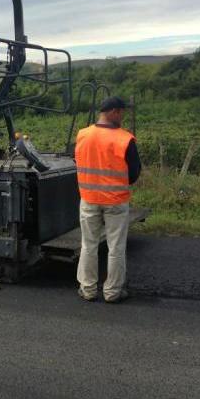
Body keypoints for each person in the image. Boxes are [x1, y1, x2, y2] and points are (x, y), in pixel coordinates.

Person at [74, 96, 141, 304]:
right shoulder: (125, 139)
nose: (122, 117)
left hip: (89, 199)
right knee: (116, 247)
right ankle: (112, 292)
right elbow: (134, 174)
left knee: (88, 245)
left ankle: (88, 289)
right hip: (115, 201)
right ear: (113, 112)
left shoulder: (83, 135)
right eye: (121, 113)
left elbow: (79, 162)